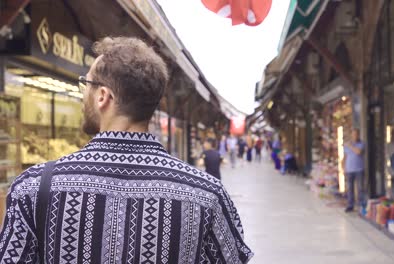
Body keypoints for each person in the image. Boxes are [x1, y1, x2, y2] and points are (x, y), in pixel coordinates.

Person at [0, 37, 253, 263]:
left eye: (84, 84)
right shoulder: (206, 195)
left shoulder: (34, 188)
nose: (82, 94)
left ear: (103, 96)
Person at [343, 128, 366, 213]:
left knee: (360, 188)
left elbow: (358, 152)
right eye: (353, 134)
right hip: (349, 169)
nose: (355, 136)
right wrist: (343, 167)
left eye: (356, 134)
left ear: (358, 135)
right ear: (351, 135)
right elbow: (345, 157)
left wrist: (350, 145)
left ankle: (361, 205)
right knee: (350, 188)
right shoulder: (347, 145)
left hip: (359, 169)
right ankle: (350, 205)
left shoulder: (361, 144)